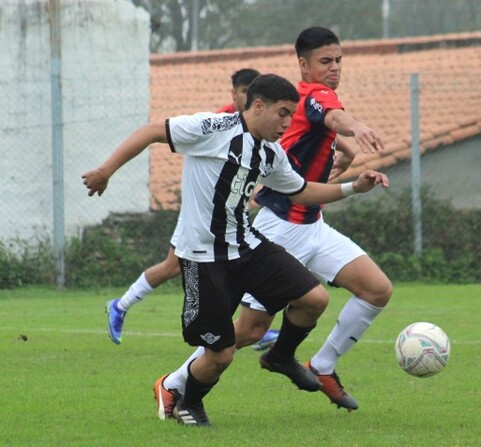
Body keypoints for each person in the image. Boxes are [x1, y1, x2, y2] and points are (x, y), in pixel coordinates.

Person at [82, 73, 389, 427]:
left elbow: (302, 190)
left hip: (246, 247)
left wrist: (353, 187)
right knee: (222, 353)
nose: (287, 123)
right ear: (258, 106)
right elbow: (152, 131)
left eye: (292, 116)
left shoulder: (271, 152)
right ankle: (186, 401)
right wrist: (106, 171)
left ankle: (281, 356)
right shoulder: (212, 127)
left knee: (314, 299)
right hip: (203, 259)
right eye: (283, 113)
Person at [154, 26, 392, 416]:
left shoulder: (300, 106)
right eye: (325, 61)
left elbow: (323, 130)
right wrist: (356, 129)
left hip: (311, 223)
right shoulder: (315, 97)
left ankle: (319, 364)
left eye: (339, 61)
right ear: (304, 65)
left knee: (376, 290)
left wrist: (346, 154)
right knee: (247, 331)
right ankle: (175, 384)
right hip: (278, 226)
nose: (334, 68)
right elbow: (332, 116)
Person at [104, 68, 264, 346]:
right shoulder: (219, 122)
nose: (250, 99)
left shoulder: (261, 125)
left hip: (223, 216)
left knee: (176, 266)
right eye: (245, 92)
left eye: (255, 93)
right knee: (183, 265)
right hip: (202, 214)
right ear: (234, 94)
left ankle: (121, 305)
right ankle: (246, 326)